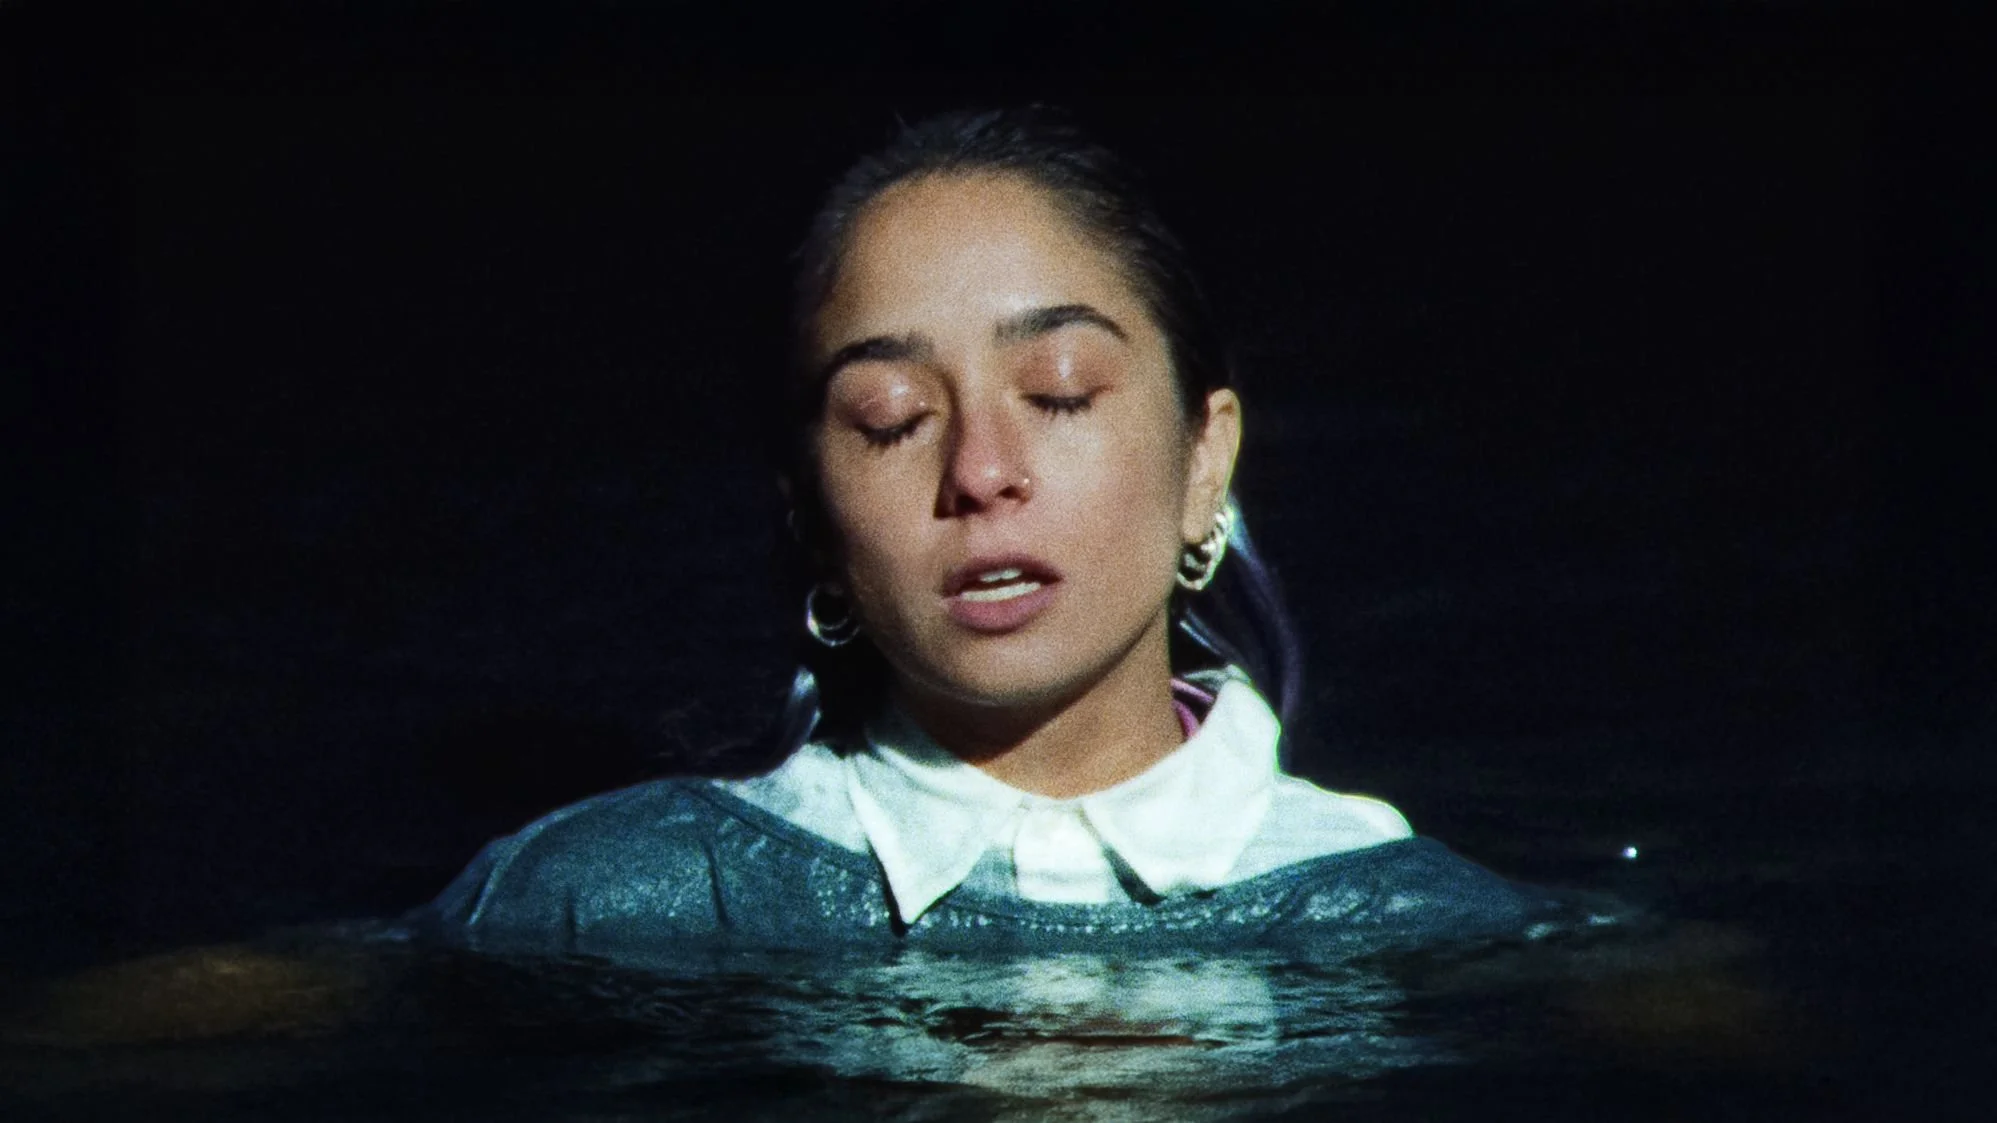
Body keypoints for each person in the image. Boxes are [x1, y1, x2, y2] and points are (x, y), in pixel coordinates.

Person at [401, 107, 1588, 958]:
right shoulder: (597, 903)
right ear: (809, 520)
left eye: (1060, 390)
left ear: (1202, 459)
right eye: (890, 418)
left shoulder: (1419, 930)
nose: (978, 472)